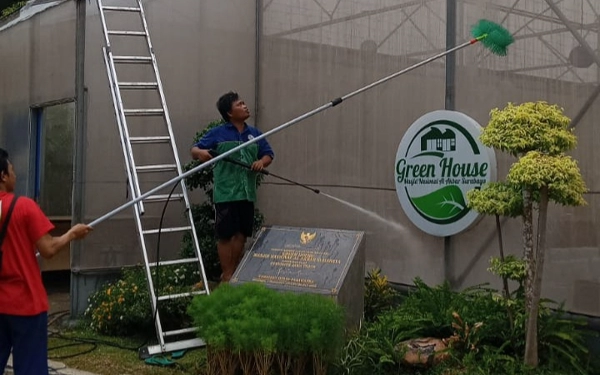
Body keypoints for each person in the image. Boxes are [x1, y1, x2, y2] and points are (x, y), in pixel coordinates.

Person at [0, 148, 92, 375]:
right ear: (2, 176)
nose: (15, 174)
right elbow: (49, 249)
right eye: (12, 169)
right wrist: (72, 234)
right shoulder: (23, 207)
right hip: (26, 305)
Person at [191, 92, 274, 282]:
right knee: (226, 235)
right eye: (240, 104)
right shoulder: (218, 133)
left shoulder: (255, 134)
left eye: (245, 103)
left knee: (242, 235)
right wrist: (201, 152)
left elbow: (268, 154)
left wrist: (261, 162)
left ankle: (234, 273)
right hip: (226, 192)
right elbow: (195, 150)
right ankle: (227, 275)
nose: (245, 106)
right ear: (229, 112)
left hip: (247, 193)